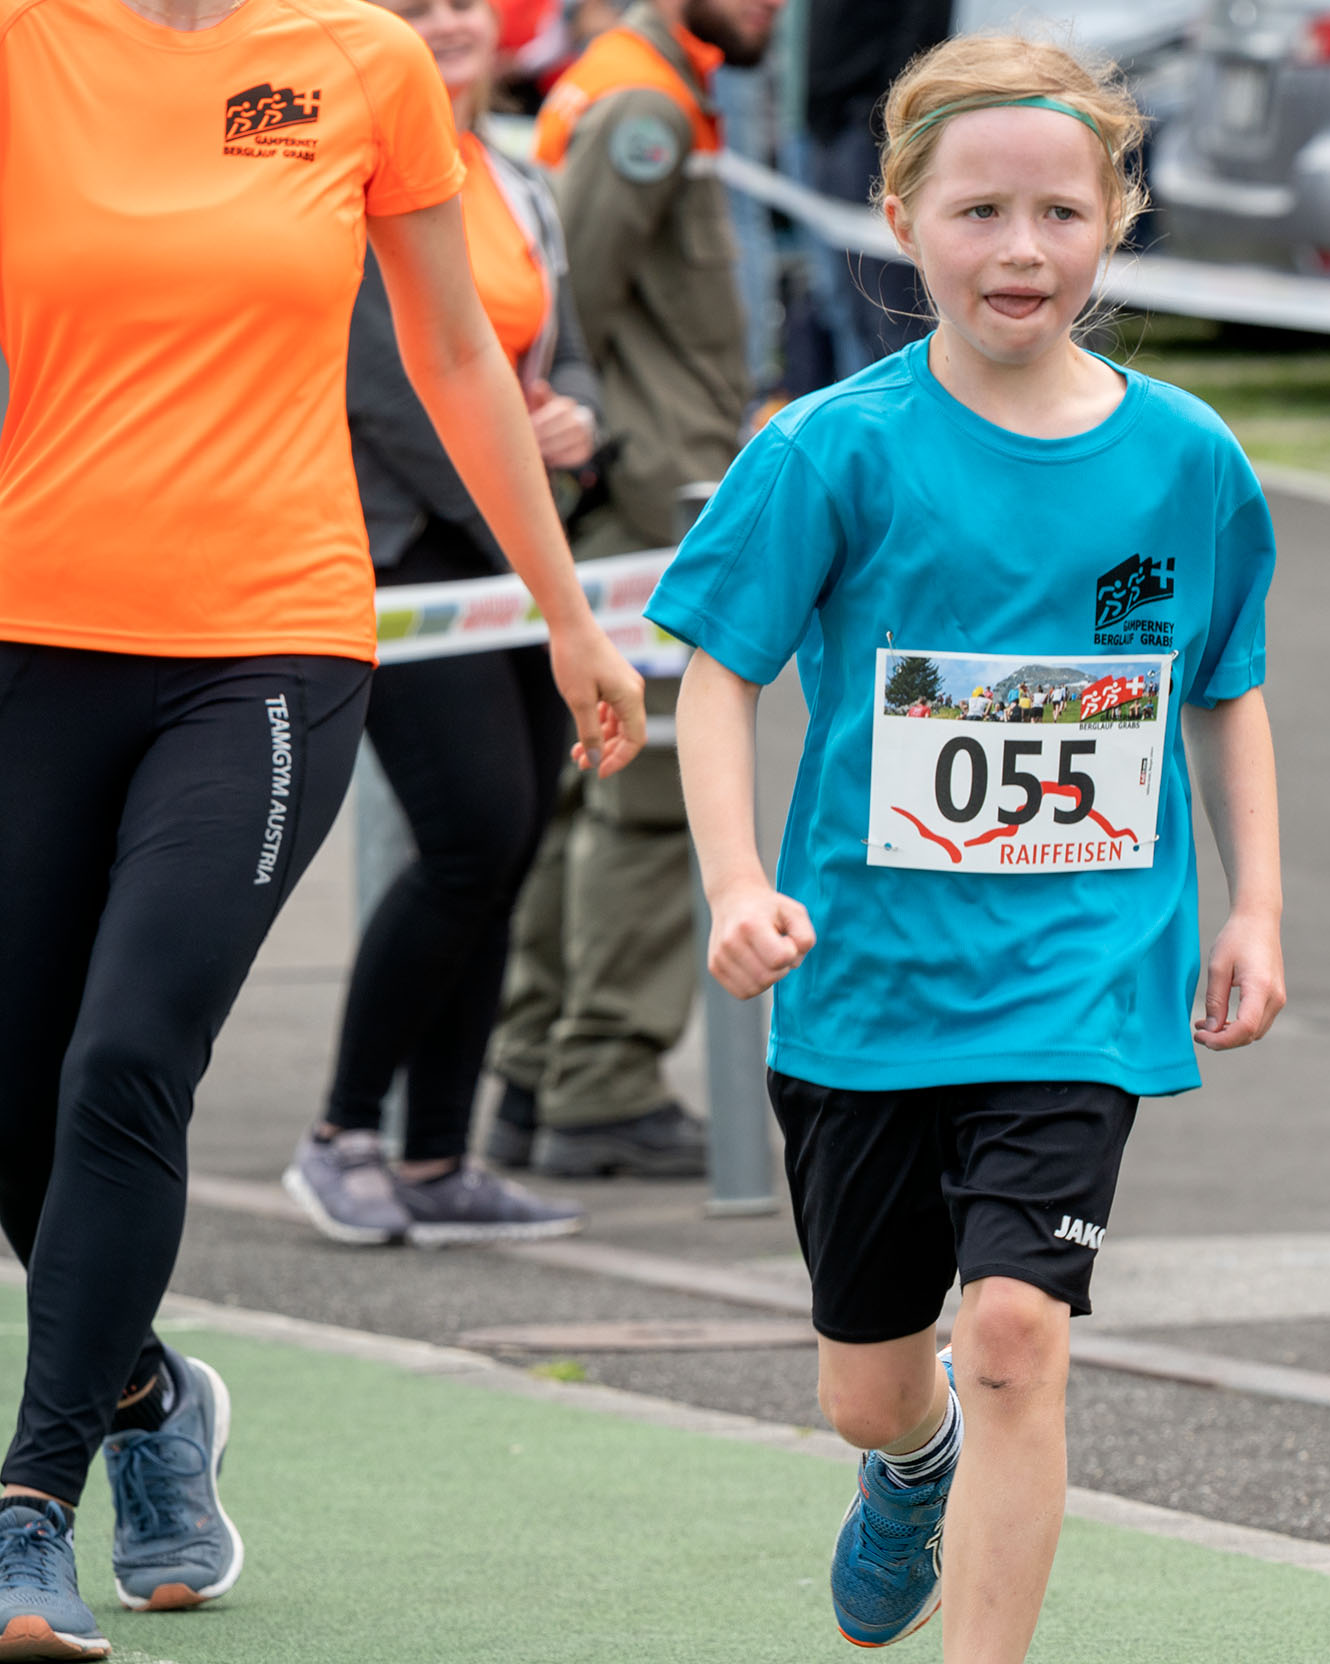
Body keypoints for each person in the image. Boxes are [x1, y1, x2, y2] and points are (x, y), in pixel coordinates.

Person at [0, 0, 646, 1643]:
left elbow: (455, 355)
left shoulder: (361, 59)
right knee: (15, 1094)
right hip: (34, 636)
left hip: (270, 645)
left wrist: (566, 611)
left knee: (126, 1056)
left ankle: (29, 1506)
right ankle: (151, 1399)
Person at [653, 34, 1284, 1656]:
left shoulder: (1189, 460)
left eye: (1062, 213)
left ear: (1116, 218)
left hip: (1081, 974)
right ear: (899, 219)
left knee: (1014, 1331)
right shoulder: (830, 448)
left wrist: (1255, 909)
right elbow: (716, 671)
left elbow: (1224, 688)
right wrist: (737, 880)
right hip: (867, 985)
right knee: (870, 1387)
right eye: (980, 212)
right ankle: (910, 1461)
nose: (1023, 249)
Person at [282, 0, 603, 1248]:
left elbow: (565, 351)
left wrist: (574, 422)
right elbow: (388, 382)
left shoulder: (517, 176)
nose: (444, 25)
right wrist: (514, 488)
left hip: (510, 545)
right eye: (411, 8)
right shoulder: (341, 171)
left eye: (463, 3)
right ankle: (341, 1134)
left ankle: (434, 1155)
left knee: (507, 842)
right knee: (469, 834)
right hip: (406, 542)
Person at [487, 0, 784, 1178]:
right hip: (654, 499)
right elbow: (571, 313)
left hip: (646, 489)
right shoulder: (641, 106)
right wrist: (601, 454)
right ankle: (600, 1078)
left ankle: (536, 1064)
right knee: (648, 795)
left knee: (593, 791)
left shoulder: (639, 84)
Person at [800, 0, 948, 379]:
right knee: (846, 307)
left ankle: (909, 410)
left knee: (892, 314)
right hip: (831, 123)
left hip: (871, 127)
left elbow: (925, 21)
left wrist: (888, 116)